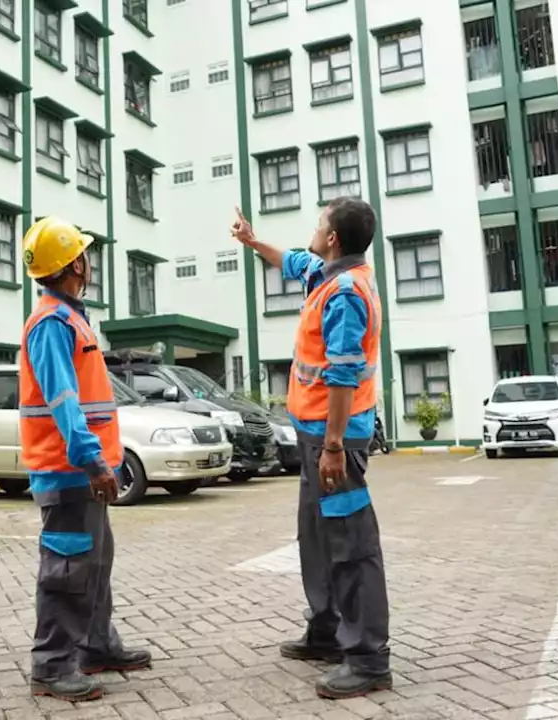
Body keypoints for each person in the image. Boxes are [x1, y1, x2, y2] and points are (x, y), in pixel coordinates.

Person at [230, 198, 393, 699]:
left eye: (319, 224)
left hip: (334, 439)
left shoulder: (345, 292)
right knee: (317, 536)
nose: (313, 229)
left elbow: (343, 376)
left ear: (334, 239)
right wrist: (252, 240)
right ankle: (326, 629)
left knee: (350, 543)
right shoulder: (325, 273)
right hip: (314, 435)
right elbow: (291, 261)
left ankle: (367, 658)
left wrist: (334, 446)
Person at [18, 216, 152, 701]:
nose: (88, 259)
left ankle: (96, 644)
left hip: (81, 470)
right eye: (84, 252)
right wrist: (92, 461)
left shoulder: (70, 317)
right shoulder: (52, 323)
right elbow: (62, 400)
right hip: (68, 468)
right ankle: (53, 666)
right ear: (75, 262)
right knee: (68, 568)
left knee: (93, 563)